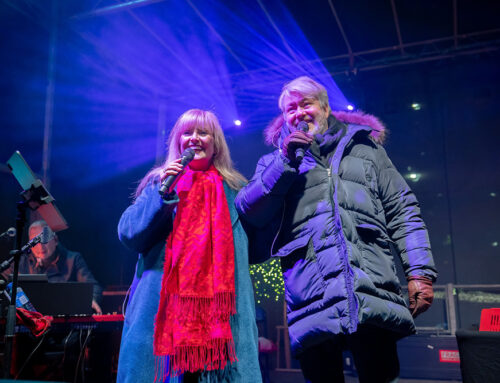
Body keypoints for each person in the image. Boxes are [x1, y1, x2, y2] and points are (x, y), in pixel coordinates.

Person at [235, 76, 438, 383]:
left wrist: (419, 272)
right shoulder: (273, 162)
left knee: (381, 375)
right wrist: (284, 163)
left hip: (369, 289)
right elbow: (248, 209)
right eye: (291, 108)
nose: (299, 113)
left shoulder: (366, 149)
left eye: (306, 103)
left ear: (325, 108)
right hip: (311, 298)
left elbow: (403, 210)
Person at [116, 109, 261, 383]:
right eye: (187, 132)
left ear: (215, 142)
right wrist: (161, 197)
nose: (194, 138)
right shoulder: (159, 183)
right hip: (163, 313)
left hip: (219, 324)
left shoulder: (236, 189)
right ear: (177, 141)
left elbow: (258, 245)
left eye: (203, 132)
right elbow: (128, 234)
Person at [1, 220, 102, 314]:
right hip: (31, 322)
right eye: (35, 241)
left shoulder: (73, 259)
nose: (40, 246)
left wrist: (91, 299)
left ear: (55, 240)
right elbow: (3, 279)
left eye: (45, 240)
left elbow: (93, 286)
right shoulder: (20, 262)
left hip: (63, 319)